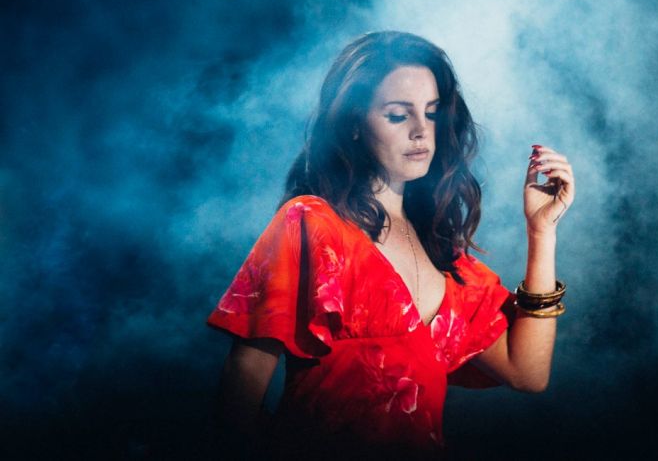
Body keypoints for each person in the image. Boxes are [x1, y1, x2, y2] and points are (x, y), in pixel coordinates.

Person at [206, 31, 575, 459]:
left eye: (432, 113)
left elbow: (527, 372)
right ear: (355, 125)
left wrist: (541, 232)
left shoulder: (445, 256)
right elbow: (241, 384)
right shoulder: (312, 224)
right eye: (398, 116)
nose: (421, 131)